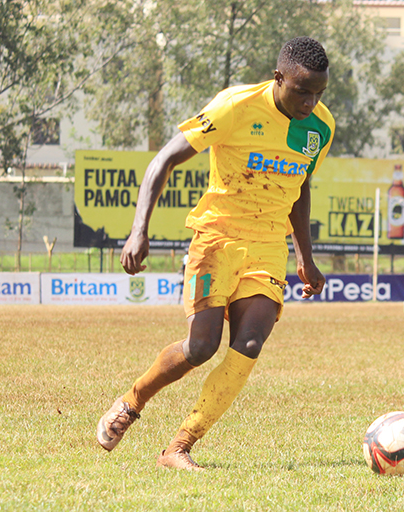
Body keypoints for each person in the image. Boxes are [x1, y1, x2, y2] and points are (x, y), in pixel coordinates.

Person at [96, 37, 335, 471]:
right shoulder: (234, 107)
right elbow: (163, 160)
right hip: (216, 238)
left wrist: (306, 256)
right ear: (278, 78)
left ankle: (178, 447)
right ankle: (132, 402)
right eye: (303, 91)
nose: (311, 102)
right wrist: (138, 231)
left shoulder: (320, 127)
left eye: (319, 93)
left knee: (249, 342)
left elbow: (300, 188)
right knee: (201, 346)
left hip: (266, 246)